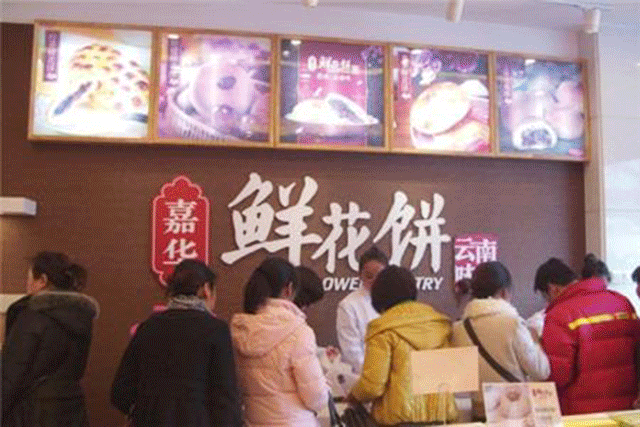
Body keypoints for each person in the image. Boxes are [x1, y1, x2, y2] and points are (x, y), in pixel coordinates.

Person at [111, 260, 242, 427]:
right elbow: (225, 397)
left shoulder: (148, 327)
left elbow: (120, 392)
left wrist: (143, 409)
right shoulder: (216, 330)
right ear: (206, 289)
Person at [348, 266, 458, 425]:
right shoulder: (439, 325)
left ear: (379, 296)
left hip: (398, 422)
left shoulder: (382, 329)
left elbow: (373, 385)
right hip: (442, 420)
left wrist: (354, 395)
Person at [2, 251, 98, 427]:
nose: (27, 285)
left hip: (33, 412)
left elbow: (12, 374)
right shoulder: (81, 316)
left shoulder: (31, 316)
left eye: (29, 278)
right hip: (72, 410)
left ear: (42, 280)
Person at [230, 257, 329, 427]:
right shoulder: (299, 331)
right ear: (289, 289)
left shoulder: (242, 329)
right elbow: (316, 398)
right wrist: (325, 387)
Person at [537, 258, 640, 415]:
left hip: (582, 414)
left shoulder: (559, 315)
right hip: (627, 411)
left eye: (546, 297)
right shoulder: (622, 302)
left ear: (552, 289)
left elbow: (559, 374)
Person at [452, 262, 550, 420]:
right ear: (504, 292)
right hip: (513, 411)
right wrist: (535, 340)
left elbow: (462, 378)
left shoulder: (459, 328)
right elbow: (540, 371)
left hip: (479, 412)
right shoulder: (513, 324)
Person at [336, 246, 388, 374]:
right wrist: (374, 375)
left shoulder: (394, 300)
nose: (375, 281)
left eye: (380, 276)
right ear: (360, 275)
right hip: (364, 375)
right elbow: (351, 353)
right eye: (369, 276)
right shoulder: (348, 305)